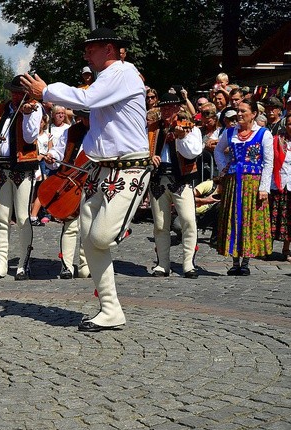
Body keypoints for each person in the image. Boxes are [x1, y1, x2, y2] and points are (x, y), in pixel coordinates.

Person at [21, 27, 151, 332]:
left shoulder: (123, 72)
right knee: (89, 239)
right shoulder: (107, 79)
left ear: (108, 49)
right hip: (98, 169)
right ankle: (110, 309)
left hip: (128, 167)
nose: (85, 55)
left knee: (100, 238)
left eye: (89, 50)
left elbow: (87, 99)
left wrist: (47, 91)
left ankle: (119, 238)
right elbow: (91, 107)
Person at [0, 75, 42, 281]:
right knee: (2, 218)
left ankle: (23, 263)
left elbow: (30, 137)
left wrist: (27, 115)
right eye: (13, 91)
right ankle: (1, 262)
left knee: (21, 217)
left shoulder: (34, 108)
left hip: (23, 168)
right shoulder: (0, 109)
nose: (15, 95)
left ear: (27, 93)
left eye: (20, 92)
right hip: (1, 167)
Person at [214, 98, 273, 275]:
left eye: (243, 111)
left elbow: (268, 162)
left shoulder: (264, 133)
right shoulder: (230, 132)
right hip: (234, 182)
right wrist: (224, 167)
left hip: (253, 183)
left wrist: (264, 187)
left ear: (253, 114)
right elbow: (218, 150)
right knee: (234, 217)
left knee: (249, 219)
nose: (239, 114)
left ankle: (246, 262)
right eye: (238, 111)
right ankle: (234, 261)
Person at [148, 93, 203, 278]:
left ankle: (188, 263)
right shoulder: (152, 128)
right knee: (160, 225)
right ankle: (163, 264)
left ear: (179, 109)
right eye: (163, 108)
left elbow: (193, 153)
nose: (166, 111)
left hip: (181, 180)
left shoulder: (190, 128)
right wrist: (149, 158)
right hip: (157, 179)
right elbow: (139, 149)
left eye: (170, 108)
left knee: (188, 220)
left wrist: (181, 137)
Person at [43, 108, 91, 279]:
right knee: (70, 225)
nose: (85, 121)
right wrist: (51, 155)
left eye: (88, 117)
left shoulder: (105, 132)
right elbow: (60, 150)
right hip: (72, 183)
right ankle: (67, 266)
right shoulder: (71, 131)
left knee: (89, 227)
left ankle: (87, 265)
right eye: (82, 117)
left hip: (93, 184)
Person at [269, 114, 291, 260]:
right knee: (272, 217)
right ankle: (267, 248)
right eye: (289, 124)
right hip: (278, 183)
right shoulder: (278, 140)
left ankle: (286, 249)